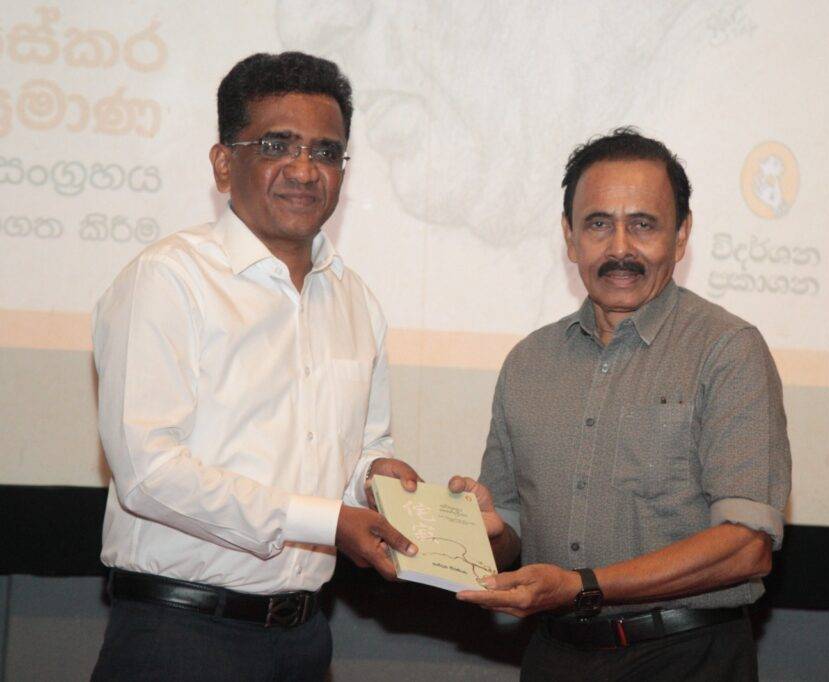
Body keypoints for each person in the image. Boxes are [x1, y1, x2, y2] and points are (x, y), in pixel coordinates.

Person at [91, 52, 420, 681]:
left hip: (304, 638)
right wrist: (327, 521)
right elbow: (149, 474)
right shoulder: (168, 280)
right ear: (223, 163)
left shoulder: (356, 300)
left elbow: (354, 450)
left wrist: (375, 478)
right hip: (179, 636)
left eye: (327, 152)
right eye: (278, 145)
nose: (305, 169)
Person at [452, 127, 791, 680]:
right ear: (570, 238)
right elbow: (510, 531)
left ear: (681, 236)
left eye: (643, 224)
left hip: (687, 660)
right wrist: (488, 532)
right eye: (598, 224)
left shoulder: (727, 351)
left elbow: (746, 548)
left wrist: (583, 586)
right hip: (554, 657)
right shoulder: (527, 363)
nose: (619, 249)